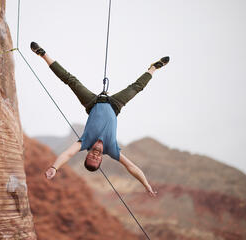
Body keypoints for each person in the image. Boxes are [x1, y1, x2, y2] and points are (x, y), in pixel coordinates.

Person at [30, 42, 169, 197]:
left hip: (92, 103)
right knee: (136, 88)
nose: (95, 156)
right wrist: (146, 184)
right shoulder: (112, 149)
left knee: (71, 80)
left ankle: (43, 55)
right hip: (115, 105)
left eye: (91, 158)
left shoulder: (85, 143)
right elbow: (131, 167)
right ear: (101, 160)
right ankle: (153, 68)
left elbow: (68, 154)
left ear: (87, 155)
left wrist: (54, 168)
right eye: (96, 160)